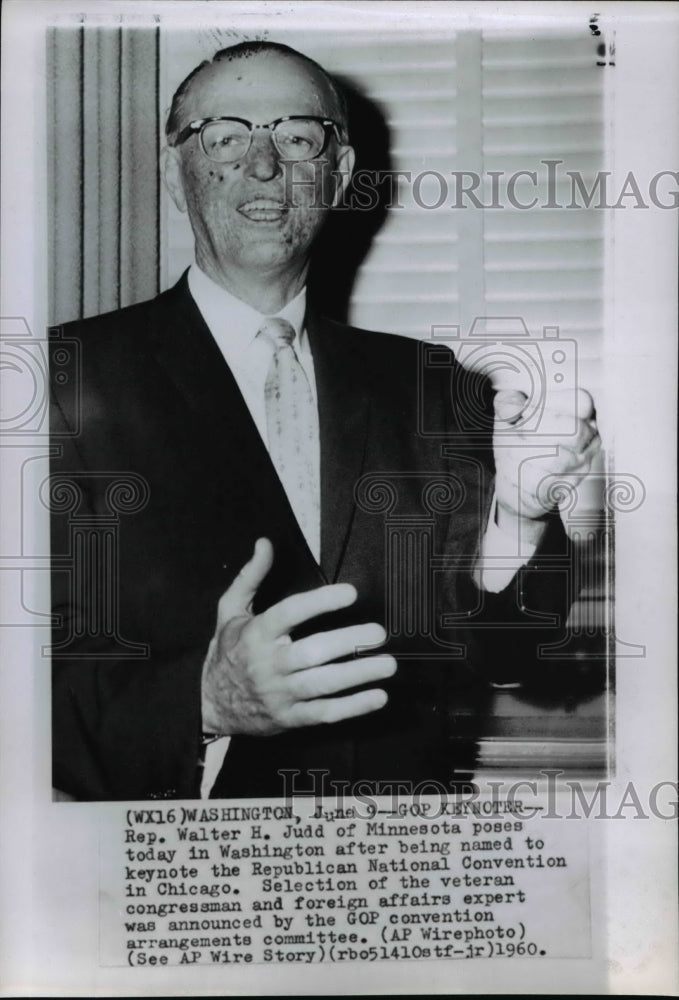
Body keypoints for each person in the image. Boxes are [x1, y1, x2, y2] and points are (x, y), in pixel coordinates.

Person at [49, 41, 600, 801]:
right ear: (175, 174)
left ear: (337, 176)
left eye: (298, 136)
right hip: (176, 871)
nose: (263, 164)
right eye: (226, 135)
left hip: (394, 862)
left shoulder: (434, 386)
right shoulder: (60, 378)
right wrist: (205, 704)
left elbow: (506, 650)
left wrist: (521, 514)